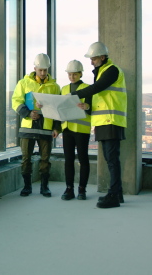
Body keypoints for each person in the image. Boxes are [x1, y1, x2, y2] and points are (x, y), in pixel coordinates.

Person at [70, 42, 127, 208]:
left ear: (102, 57)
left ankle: (114, 196)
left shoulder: (111, 70)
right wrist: (88, 107)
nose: (91, 62)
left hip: (111, 121)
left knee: (112, 160)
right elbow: (102, 97)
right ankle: (118, 194)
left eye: (93, 58)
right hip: (104, 121)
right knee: (111, 159)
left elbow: (97, 88)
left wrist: (74, 95)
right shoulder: (102, 71)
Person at [12, 53, 61, 197]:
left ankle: (44, 187)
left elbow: (58, 108)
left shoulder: (54, 87)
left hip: (46, 127)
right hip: (28, 126)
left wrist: (57, 127)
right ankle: (27, 187)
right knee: (26, 158)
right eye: (40, 70)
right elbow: (16, 101)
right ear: (35, 68)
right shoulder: (24, 83)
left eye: (45, 70)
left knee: (45, 159)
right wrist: (27, 113)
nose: (43, 72)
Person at [60, 60, 92, 201]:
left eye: (74, 74)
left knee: (83, 159)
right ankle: (69, 188)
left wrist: (87, 107)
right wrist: (57, 128)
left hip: (82, 129)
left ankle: (82, 189)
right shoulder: (64, 89)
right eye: (70, 74)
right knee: (68, 160)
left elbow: (94, 108)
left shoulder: (88, 88)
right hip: (67, 129)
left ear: (80, 74)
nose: (72, 77)